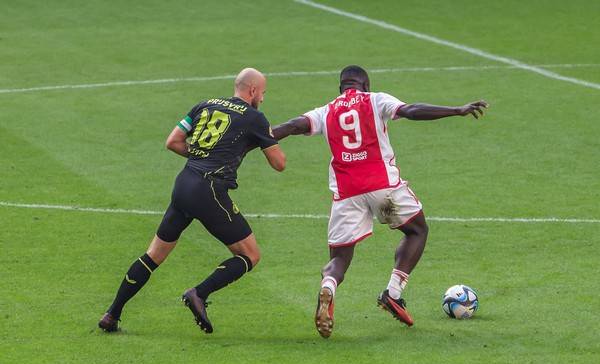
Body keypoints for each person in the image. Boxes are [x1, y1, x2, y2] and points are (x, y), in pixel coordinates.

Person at [272, 65, 487, 338]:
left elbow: (292, 126)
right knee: (417, 230)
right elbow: (411, 110)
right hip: (383, 188)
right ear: (366, 84)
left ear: (341, 88)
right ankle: (393, 292)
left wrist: (254, 138)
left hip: (347, 194)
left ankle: (329, 286)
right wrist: (456, 110)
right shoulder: (375, 100)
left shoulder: (326, 111)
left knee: (339, 257)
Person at [99, 68, 286, 334]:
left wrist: (201, 156)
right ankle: (199, 293)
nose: (263, 99)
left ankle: (112, 314)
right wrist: (269, 135)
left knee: (154, 255)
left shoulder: (205, 105)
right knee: (250, 255)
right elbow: (279, 164)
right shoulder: (255, 118)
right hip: (209, 190)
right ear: (253, 91)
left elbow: (173, 142)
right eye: (263, 93)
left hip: (184, 184)